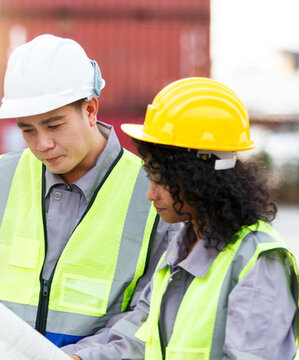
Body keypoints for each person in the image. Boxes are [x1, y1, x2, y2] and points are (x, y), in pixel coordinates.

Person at [0, 33, 181, 348]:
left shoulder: (151, 191)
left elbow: (151, 312)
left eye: (54, 125)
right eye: (28, 130)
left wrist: (82, 358)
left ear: (90, 110)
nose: (42, 144)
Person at [69, 77, 298, 359]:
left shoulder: (257, 262)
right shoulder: (179, 250)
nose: (150, 194)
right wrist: (79, 357)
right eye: (149, 178)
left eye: (161, 180)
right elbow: (138, 338)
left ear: (199, 178)